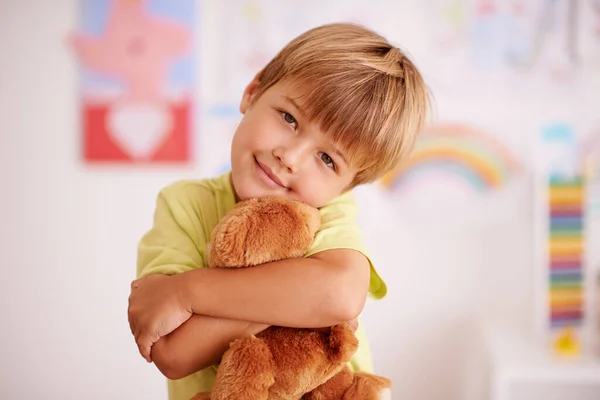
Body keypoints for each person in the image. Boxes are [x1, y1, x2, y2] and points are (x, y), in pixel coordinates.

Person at [128, 22, 429, 400]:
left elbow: (339, 296)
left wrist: (187, 292)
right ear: (252, 92)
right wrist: (299, 299)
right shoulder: (183, 204)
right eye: (289, 118)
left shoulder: (329, 209)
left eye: (326, 159)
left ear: (348, 185)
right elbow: (172, 350)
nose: (290, 157)